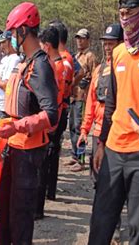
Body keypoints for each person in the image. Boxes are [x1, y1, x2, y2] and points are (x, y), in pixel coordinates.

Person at [0, 2, 58, 244]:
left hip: (28, 153)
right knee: (5, 209)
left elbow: (51, 114)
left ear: (23, 30)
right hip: (14, 147)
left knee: (20, 216)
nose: (11, 36)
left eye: (12, 32)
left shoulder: (40, 65)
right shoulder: (25, 61)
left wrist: (18, 126)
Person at [89, 0, 139, 245]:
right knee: (101, 221)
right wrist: (101, 143)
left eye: (130, 11)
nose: (125, 18)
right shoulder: (120, 53)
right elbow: (111, 101)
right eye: (121, 12)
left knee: (138, 228)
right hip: (114, 149)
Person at [78, 24, 123, 184]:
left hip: (118, 133)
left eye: (111, 43)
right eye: (105, 43)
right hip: (98, 132)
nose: (107, 47)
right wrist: (84, 130)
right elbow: (91, 102)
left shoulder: (125, 70)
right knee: (98, 178)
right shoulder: (98, 70)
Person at [35, 26, 66, 219]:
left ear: (46, 46)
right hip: (54, 119)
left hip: (50, 122)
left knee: (42, 164)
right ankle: (46, 197)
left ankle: (38, 209)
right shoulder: (59, 65)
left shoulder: (55, 67)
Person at [45, 19, 74, 200]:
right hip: (60, 108)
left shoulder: (63, 61)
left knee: (52, 151)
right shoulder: (65, 59)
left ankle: (50, 190)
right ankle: (50, 189)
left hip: (58, 110)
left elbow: (62, 89)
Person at [68, 28, 98, 172]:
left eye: (82, 38)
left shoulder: (90, 56)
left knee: (80, 128)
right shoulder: (75, 56)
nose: (79, 40)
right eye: (77, 38)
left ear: (87, 40)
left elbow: (95, 76)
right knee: (72, 127)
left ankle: (81, 159)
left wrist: (88, 81)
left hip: (83, 97)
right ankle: (74, 155)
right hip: (73, 96)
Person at [0, 31, 21, 148]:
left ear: (9, 43)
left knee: (0, 141)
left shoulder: (15, 60)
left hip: (4, 106)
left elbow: (6, 85)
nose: (1, 46)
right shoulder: (5, 59)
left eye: (3, 43)